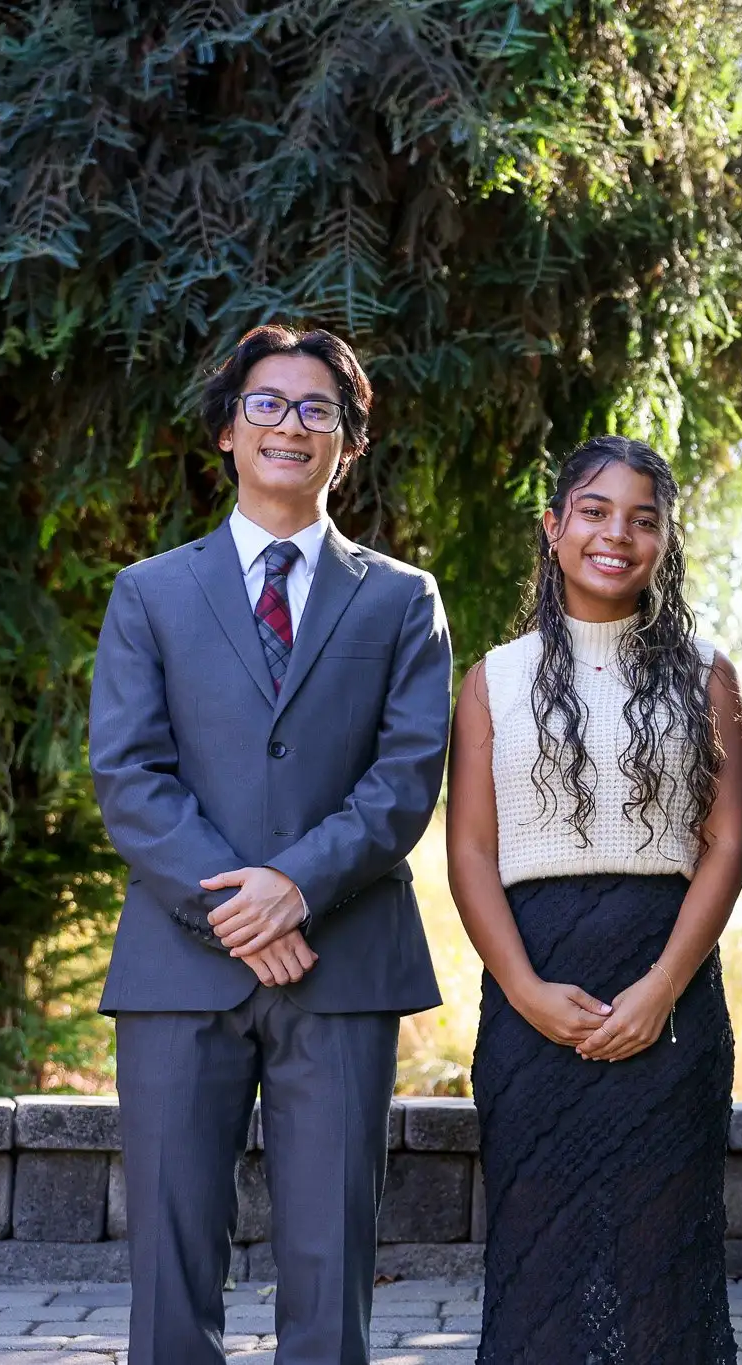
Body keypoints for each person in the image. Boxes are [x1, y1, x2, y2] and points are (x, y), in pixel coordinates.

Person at [90, 324, 451, 1365]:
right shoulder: (148, 594)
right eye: (267, 403)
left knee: (333, 1257)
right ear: (225, 430)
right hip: (175, 966)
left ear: (349, 442)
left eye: (317, 409)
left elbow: (405, 776)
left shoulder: (401, 598)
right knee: (168, 1262)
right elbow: (129, 776)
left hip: (340, 965)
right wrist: (236, 911)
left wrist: (293, 888)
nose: (290, 425)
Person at [445, 435, 742, 1364]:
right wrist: (527, 990)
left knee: (663, 1252)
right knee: (540, 1250)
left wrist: (661, 988)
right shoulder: (492, 677)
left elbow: (725, 846)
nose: (618, 534)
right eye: (594, 510)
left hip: (670, 988)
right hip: (532, 988)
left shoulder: (708, 673)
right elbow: (470, 850)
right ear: (553, 526)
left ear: (665, 540)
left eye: (643, 518)